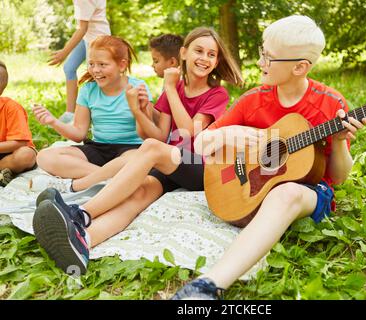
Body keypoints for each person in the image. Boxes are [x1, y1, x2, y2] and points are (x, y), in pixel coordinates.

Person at [171, 15, 366, 299]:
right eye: (262, 52)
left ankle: (209, 285)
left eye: (269, 58)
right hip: (252, 188)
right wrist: (227, 135)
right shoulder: (253, 99)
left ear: (301, 67)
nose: (260, 62)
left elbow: (337, 178)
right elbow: (200, 143)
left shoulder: (331, 103)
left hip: (311, 190)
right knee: (275, 189)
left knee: (286, 193)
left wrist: (338, 144)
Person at [32, 27, 243, 275]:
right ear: (184, 53)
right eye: (199, 51)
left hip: (200, 165)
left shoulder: (216, 94)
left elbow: (189, 133)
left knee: (152, 149)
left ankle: (81, 214)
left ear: (217, 61)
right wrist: (140, 110)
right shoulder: (170, 91)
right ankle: (84, 242)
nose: (204, 58)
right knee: (138, 193)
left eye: (211, 54)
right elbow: (158, 136)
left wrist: (172, 89)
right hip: (171, 164)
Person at [29, 33, 185, 193]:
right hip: (99, 149)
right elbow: (78, 134)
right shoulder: (88, 90)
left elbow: (146, 131)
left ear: (122, 65)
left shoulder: (136, 87)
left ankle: (86, 182)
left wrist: (141, 108)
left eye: (102, 64)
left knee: (135, 160)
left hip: (131, 149)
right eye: (91, 64)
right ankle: (110, 179)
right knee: (44, 157)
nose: (95, 70)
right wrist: (53, 121)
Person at [50, 0, 111, 124]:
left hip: (97, 40)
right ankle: (70, 113)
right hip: (87, 37)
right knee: (69, 68)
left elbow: (82, 28)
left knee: (95, 76)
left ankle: (99, 114)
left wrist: (64, 52)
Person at [0, 60, 37, 187]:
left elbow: (20, 142)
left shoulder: (12, 108)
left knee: (26, 155)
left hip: (9, 154)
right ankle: (4, 173)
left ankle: (5, 169)